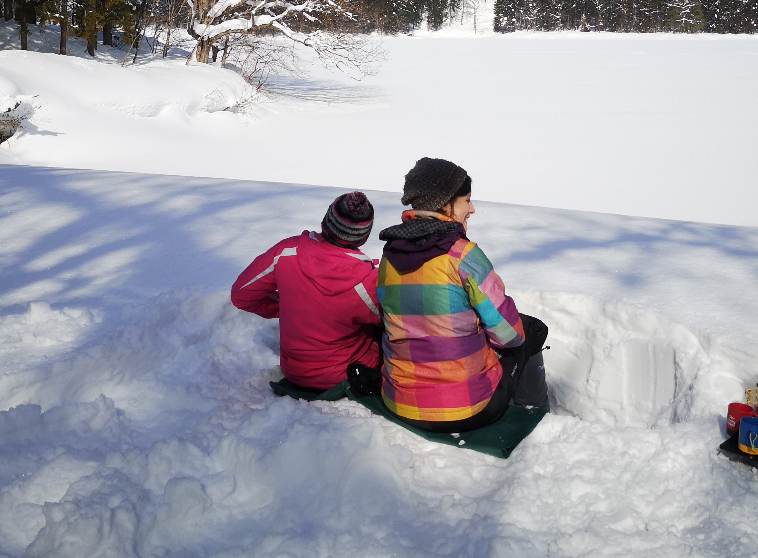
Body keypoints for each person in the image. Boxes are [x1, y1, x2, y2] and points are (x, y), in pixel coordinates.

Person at [377, 157, 549, 430]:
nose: (472, 209)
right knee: (531, 329)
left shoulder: (389, 256)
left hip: (401, 404)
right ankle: (536, 418)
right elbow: (509, 335)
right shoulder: (463, 256)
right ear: (445, 204)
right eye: (466, 200)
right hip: (465, 410)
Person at [231, 191, 382, 392]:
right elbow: (394, 321)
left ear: (326, 221)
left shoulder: (287, 252)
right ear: (363, 237)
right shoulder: (368, 282)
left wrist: (290, 306)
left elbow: (242, 294)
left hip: (294, 372)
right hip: (351, 374)